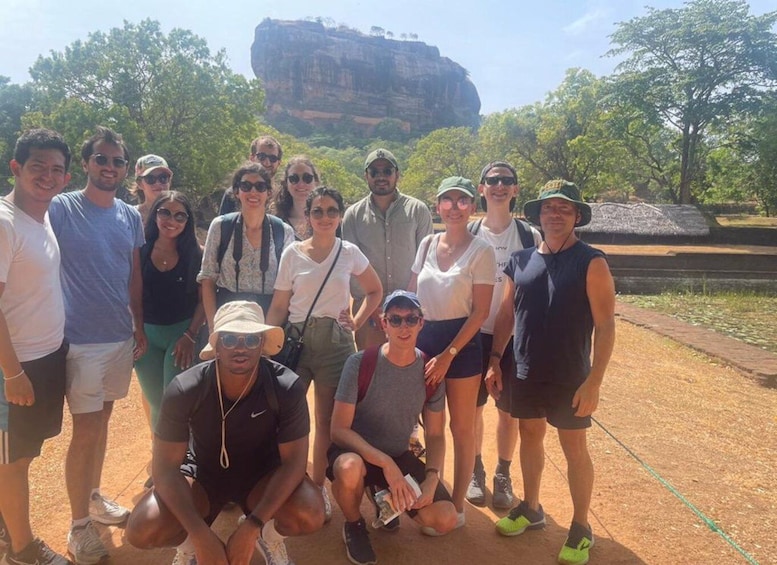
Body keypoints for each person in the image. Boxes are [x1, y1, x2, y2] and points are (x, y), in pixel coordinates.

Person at [125, 301, 325, 565]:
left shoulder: (285, 387)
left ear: (263, 344)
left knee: (310, 513)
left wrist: (252, 526)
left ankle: (269, 537)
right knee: (142, 529)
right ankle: (189, 547)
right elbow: (164, 469)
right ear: (216, 345)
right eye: (229, 338)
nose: (240, 347)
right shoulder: (185, 388)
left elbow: (295, 463)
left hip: (262, 476)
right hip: (203, 474)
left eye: (251, 339)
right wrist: (201, 537)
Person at [487, 180, 615, 565]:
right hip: (524, 369)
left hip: (571, 374)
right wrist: (495, 358)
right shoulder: (521, 260)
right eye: (548, 208)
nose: (555, 214)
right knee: (529, 435)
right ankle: (531, 506)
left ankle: (580, 527)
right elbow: (508, 313)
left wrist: (594, 381)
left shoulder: (591, 261)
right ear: (538, 215)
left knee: (574, 448)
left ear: (577, 215)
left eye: (564, 208)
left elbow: (606, 326)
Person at [49, 126, 147, 564]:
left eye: (117, 161)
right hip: (81, 341)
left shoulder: (129, 216)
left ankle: (91, 497)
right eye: (101, 159)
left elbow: (134, 276)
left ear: (126, 169)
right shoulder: (62, 208)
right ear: (86, 163)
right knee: (86, 429)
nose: (110, 167)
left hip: (119, 338)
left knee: (103, 422)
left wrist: (138, 326)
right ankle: (78, 527)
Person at [267, 186, 382, 523]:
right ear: (308, 216)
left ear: (340, 215)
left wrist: (356, 320)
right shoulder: (292, 254)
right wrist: (264, 346)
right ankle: (284, 485)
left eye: (332, 210)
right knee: (286, 418)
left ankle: (316, 489)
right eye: (318, 211)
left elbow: (374, 290)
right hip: (297, 342)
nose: (325, 217)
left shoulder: (349, 252)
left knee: (327, 422)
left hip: (336, 344)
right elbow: (278, 306)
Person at [328, 290, 458, 565]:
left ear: (421, 323)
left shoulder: (429, 371)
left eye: (411, 319)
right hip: (357, 452)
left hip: (398, 455)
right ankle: (354, 524)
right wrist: (385, 463)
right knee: (350, 469)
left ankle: (381, 494)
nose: (404, 327)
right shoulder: (360, 363)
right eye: (395, 319)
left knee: (445, 518)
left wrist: (433, 477)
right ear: (383, 324)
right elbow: (338, 430)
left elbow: (435, 434)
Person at [0, 129, 71, 565]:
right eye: (38, 167)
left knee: (19, 455)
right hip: (17, 365)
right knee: (13, 462)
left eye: (56, 169)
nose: (48, 176)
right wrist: (12, 373)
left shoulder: (38, 218)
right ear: (16, 168)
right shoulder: (6, 223)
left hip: (43, 357)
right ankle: (23, 549)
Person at [408, 176, 496, 527]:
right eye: (448, 200)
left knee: (462, 428)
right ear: (438, 205)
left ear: (472, 207)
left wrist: (449, 354)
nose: (455, 207)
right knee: (430, 425)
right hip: (424, 338)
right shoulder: (428, 243)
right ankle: (431, 491)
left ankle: (457, 505)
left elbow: (480, 312)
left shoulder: (482, 250)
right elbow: (411, 293)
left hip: (461, 343)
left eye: (462, 201)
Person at [466, 162, 541, 510]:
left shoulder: (529, 236)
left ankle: (503, 473)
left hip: (513, 337)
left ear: (515, 189)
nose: (499, 186)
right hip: (473, 332)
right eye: (492, 180)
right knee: (473, 408)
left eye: (506, 181)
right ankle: (475, 470)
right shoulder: (469, 232)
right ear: (481, 188)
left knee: (508, 410)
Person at [342, 148, 433, 350]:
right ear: (366, 175)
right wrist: (375, 311)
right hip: (368, 314)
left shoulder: (418, 210)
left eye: (387, 171)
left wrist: (405, 307)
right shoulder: (353, 216)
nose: (381, 177)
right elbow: (351, 270)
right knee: (369, 371)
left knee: (409, 372)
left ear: (397, 174)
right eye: (374, 172)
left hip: (410, 314)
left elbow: (426, 262)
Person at [135, 191, 205, 430]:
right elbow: (131, 293)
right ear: (155, 214)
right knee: (157, 402)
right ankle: (162, 456)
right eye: (165, 212)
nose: (171, 220)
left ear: (188, 222)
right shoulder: (139, 250)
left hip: (180, 337)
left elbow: (204, 300)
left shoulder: (196, 254)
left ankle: (178, 459)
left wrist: (190, 335)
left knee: (174, 401)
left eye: (180, 216)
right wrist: (136, 330)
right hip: (146, 337)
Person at [198, 161, 294, 332]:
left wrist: (267, 334)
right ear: (236, 192)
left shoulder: (283, 231)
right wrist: (214, 327)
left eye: (260, 186)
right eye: (246, 186)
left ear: (269, 193)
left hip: (268, 315)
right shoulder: (221, 226)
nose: (253, 192)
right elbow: (208, 279)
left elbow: (285, 289)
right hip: (227, 315)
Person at [218, 135, 283, 215]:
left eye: (272, 158)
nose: (267, 162)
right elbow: (223, 225)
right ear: (252, 158)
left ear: (279, 163)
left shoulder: (283, 197)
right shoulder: (233, 193)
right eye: (262, 156)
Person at [272, 155, 320, 240]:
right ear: (286, 183)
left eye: (307, 178)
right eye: (294, 178)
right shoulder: (275, 223)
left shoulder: (328, 220)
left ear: (315, 182)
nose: (301, 184)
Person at [131, 154, 174, 224]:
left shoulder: (179, 215)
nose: (158, 183)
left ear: (169, 181)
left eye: (163, 178)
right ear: (140, 184)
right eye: (150, 178)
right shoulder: (130, 216)